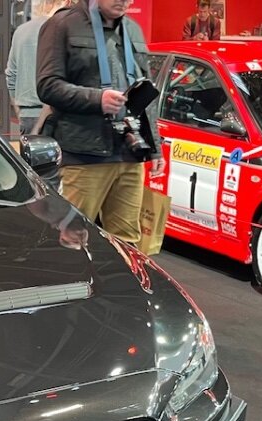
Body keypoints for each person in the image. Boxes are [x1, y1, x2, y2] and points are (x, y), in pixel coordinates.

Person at [37, 0, 164, 245]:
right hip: (84, 156)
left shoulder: (133, 30)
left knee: (127, 242)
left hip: (129, 155)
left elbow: (146, 93)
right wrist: (97, 99)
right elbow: (47, 85)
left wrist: (155, 146)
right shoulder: (62, 25)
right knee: (74, 237)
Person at [7, 0, 63, 135]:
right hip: (57, 116)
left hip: (26, 115)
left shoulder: (21, 31)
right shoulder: (62, 29)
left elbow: (11, 76)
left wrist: (20, 113)